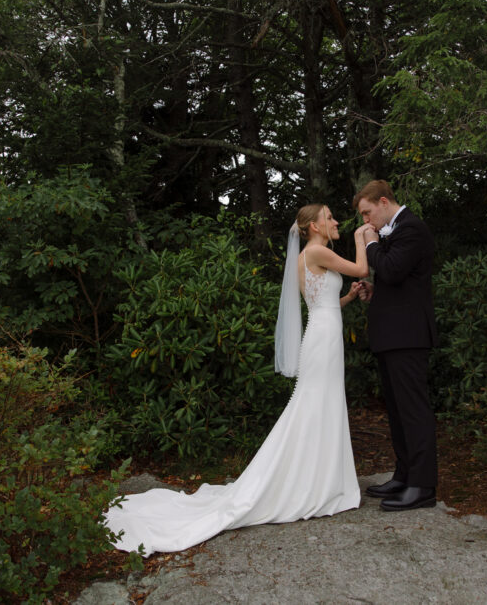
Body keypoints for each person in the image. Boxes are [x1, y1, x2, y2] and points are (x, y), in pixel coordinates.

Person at [103, 204, 373, 555]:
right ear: (313, 226)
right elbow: (362, 268)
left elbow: (324, 304)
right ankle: (313, 483)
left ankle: (321, 480)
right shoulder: (318, 250)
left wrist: (349, 297)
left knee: (319, 405)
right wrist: (359, 236)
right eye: (331, 217)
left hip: (323, 333)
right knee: (314, 404)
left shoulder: (309, 255)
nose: (336, 221)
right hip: (322, 340)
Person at [353, 180, 439, 511]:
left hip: (409, 335)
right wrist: (376, 292)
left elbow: (389, 268)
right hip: (392, 335)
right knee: (398, 411)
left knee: (414, 411)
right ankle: (404, 475)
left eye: (367, 213)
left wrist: (372, 242)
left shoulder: (412, 227)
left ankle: (422, 487)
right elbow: (396, 279)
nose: (365, 222)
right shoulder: (396, 231)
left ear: (384, 201)